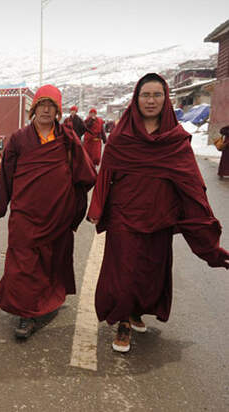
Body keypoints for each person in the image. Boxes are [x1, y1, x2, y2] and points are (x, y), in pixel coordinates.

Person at [87, 73, 229, 353]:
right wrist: (97, 208)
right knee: (124, 272)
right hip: (124, 214)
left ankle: (137, 310)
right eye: (145, 95)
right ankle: (124, 321)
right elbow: (106, 175)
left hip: (160, 217)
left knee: (149, 273)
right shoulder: (121, 136)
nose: (151, 101)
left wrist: (201, 220)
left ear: (166, 99)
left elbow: (191, 183)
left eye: (156, 95)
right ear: (136, 100)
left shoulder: (176, 140)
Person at [0, 85, 97, 339]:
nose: (46, 110)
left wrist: (73, 206)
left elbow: (85, 174)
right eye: (42, 104)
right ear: (33, 109)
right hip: (25, 214)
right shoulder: (19, 139)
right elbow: (6, 173)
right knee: (23, 263)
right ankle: (26, 314)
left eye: (52, 105)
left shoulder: (67, 139)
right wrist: (1, 206)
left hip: (57, 214)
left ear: (58, 111)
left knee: (50, 261)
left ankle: (47, 299)